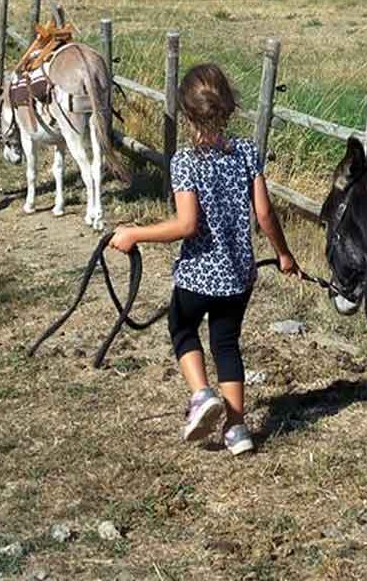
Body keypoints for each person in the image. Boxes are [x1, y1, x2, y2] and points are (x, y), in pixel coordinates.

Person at [110, 63, 299, 456]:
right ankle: (237, 429)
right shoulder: (247, 152)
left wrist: (133, 233)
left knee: (181, 328)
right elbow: (264, 214)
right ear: (228, 107)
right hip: (238, 276)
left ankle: (201, 395)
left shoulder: (185, 161)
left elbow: (186, 224)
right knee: (226, 344)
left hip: (198, 276)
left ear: (186, 113)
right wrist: (283, 254)